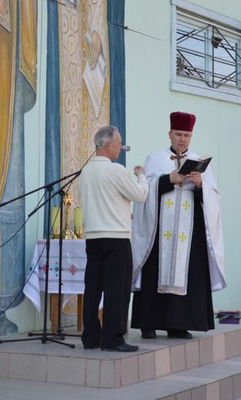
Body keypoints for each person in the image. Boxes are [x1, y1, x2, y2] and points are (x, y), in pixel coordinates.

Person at [130, 111, 227, 340]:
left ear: (191, 136)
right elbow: (145, 191)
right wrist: (168, 179)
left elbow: (214, 197)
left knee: (187, 273)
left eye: (186, 135)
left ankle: (178, 325)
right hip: (158, 231)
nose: (182, 139)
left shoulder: (200, 162)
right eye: (178, 134)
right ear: (170, 134)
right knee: (153, 272)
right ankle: (148, 324)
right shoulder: (155, 159)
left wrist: (200, 184)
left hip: (188, 232)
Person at [79, 125, 149, 352]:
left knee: (93, 289)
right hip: (116, 239)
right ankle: (113, 339)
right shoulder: (116, 170)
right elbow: (140, 195)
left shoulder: (85, 171)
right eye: (119, 143)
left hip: (93, 237)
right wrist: (142, 176)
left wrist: (121, 212)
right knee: (116, 290)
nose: (121, 146)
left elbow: (101, 201)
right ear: (108, 144)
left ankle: (90, 337)